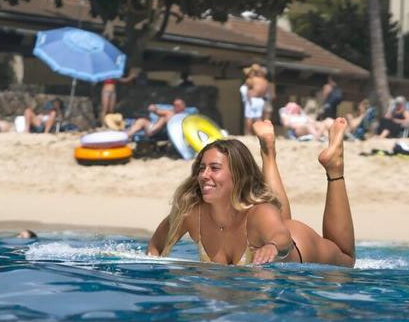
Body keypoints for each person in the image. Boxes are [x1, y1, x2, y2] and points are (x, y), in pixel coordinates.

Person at [147, 118, 355, 267]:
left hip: (299, 245)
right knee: (272, 216)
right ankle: (268, 150)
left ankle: (334, 168)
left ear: (237, 175)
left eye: (215, 168)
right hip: (264, 227)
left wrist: (272, 247)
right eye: (202, 168)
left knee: (346, 258)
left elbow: (283, 237)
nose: (204, 175)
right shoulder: (191, 213)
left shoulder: (261, 212)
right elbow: (156, 246)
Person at [241, 64, 269, 135]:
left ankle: (248, 134)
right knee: (258, 118)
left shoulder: (251, 80)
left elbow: (247, 90)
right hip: (260, 100)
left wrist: (248, 98)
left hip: (252, 100)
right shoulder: (265, 81)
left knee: (248, 118)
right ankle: (259, 133)